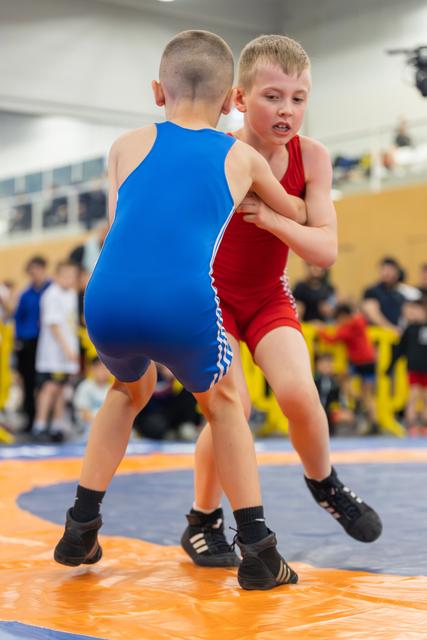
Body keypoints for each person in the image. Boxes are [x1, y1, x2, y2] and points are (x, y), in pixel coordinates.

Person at [54, 29, 314, 591]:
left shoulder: (125, 144)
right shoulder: (239, 154)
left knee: (128, 391)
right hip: (181, 300)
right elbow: (293, 207)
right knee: (225, 404)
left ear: (157, 91)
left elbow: (123, 220)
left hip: (105, 297)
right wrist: (283, 193)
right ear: (230, 102)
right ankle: (259, 549)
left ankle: (80, 527)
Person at [180, 34, 382, 570]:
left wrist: (271, 217)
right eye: (273, 96)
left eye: (298, 98)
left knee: (300, 394)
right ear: (240, 99)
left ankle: (324, 482)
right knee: (233, 408)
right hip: (212, 298)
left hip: (268, 295)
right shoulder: (217, 151)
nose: (287, 110)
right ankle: (202, 520)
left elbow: (327, 249)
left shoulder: (311, 156)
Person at [33, 261, 80, 441]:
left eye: (72, 276)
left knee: (62, 388)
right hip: (54, 354)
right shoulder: (52, 294)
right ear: (58, 275)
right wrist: (67, 348)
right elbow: (54, 325)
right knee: (49, 388)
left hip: (68, 354)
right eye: (66, 275)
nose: (70, 279)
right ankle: (40, 424)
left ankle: (57, 425)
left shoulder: (71, 294)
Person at [319, 303, 378, 430]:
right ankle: (374, 421)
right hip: (370, 361)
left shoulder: (347, 328)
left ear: (343, 316)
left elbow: (331, 338)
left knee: (342, 380)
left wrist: (320, 329)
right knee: (368, 394)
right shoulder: (360, 321)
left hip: (358, 363)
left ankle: (357, 399)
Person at [13, 256, 51, 433]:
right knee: (27, 382)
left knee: (46, 383)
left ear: (44, 269)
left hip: (46, 342)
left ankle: (46, 420)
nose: (34, 273)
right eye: (31, 270)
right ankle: (31, 419)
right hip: (27, 342)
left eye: (37, 269)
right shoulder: (26, 294)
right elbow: (18, 318)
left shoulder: (52, 290)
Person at [387, 299, 427, 435]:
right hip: (414, 368)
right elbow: (400, 349)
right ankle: (411, 424)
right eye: (412, 311)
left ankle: (424, 424)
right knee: (414, 394)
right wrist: (390, 366)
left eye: (417, 310)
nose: (414, 313)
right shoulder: (409, 329)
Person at [73, 357, 111, 441]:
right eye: (100, 369)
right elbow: (84, 413)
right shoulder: (85, 386)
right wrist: (101, 422)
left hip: (108, 425)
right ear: (93, 369)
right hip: (88, 425)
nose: (103, 372)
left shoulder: (112, 388)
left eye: (106, 369)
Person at [362, 257, 405, 329]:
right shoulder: (371, 291)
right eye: (384, 269)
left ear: (397, 272)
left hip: (395, 333)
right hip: (377, 333)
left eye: (390, 270)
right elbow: (372, 314)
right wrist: (391, 329)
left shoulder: (400, 295)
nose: (387, 273)